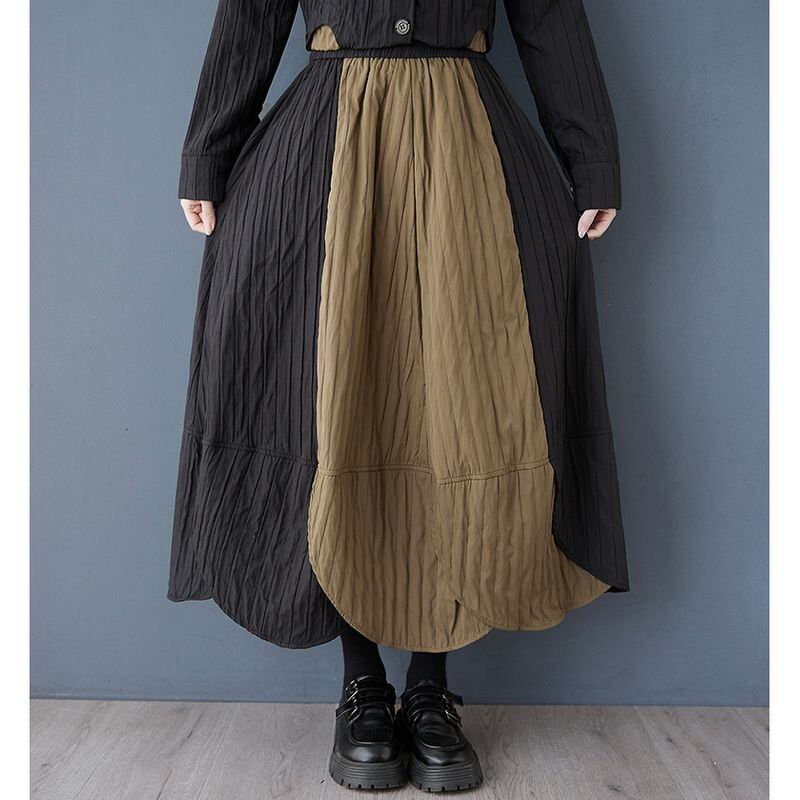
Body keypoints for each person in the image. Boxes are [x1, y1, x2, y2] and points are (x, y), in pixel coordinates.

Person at [169, 0, 630, 792]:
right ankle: (363, 687)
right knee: (340, 407)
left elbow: (548, 11)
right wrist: (206, 155)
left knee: (460, 412)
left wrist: (592, 159)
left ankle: (429, 686)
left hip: (471, 153)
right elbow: (250, 14)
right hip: (326, 145)